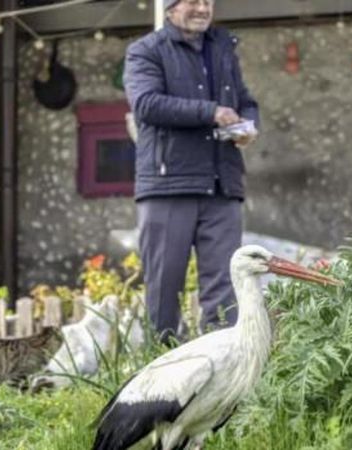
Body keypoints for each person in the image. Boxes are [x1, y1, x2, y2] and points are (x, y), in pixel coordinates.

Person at [123, 0, 259, 343]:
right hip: (169, 185)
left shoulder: (223, 48)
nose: (203, 8)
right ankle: (160, 364)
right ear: (170, 7)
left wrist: (248, 125)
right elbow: (146, 104)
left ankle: (224, 363)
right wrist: (211, 112)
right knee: (164, 289)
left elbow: (245, 100)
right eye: (193, 1)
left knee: (226, 288)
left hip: (223, 185)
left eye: (208, 1)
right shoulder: (145, 51)